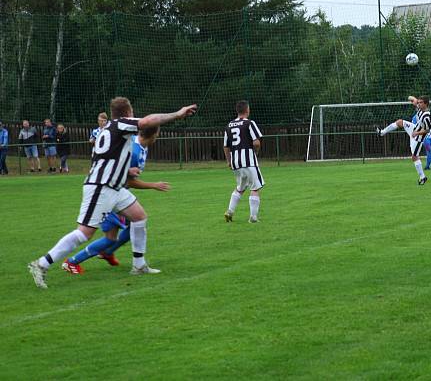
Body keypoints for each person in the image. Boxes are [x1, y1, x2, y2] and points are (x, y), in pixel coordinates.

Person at [27, 97, 196, 288]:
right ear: (128, 112)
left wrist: (126, 171)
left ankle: (139, 265)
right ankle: (41, 264)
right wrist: (178, 113)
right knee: (84, 233)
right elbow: (148, 121)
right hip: (101, 187)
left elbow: (106, 158)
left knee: (139, 217)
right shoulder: (121, 124)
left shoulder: (107, 129)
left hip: (114, 186)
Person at [62, 126, 170, 274]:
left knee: (133, 225)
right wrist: (153, 185)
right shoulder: (135, 152)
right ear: (153, 136)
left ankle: (108, 253)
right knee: (113, 236)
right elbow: (128, 181)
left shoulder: (139, 146)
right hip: (111, 195)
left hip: (118, 194)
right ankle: (72, 261)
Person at [377, 95, 431, 185]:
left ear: (426, 104)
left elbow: (427, 130)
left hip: (418, 137)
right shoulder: (420, 109)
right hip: (413, 129)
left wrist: (417, 133)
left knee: (415, 157)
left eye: (421, 102)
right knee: (400, 122)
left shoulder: (427, 116)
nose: (418, 104)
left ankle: (423, 177)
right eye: (418, 102)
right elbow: (412, 99)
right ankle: (382, 132)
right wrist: (412, 98)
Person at [223, 100, 264, 223]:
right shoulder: (249, 123)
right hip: (249, 161)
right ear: (247, 110)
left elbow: (226, 146)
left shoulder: (229, 125)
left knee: (240, 187)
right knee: (255, 188)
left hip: (236, 162)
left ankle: (229, 212)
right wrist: (255, 152)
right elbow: (256, 142)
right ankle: (253, 217)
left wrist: (229, 161)